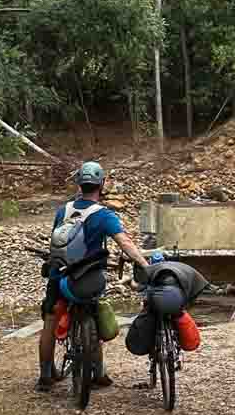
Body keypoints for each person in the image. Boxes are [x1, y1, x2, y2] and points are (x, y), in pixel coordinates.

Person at [37, 160, 159, 391]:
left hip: (59, 275)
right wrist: (144, 265)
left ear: (79, 184)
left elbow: (55, 243)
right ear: (101, 184)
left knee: (50, 320)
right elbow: (124, 242)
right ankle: (99, 373)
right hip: (86, 278)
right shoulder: (104, 215)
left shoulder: (64, 210)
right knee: (94, 313)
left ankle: (45, 376)